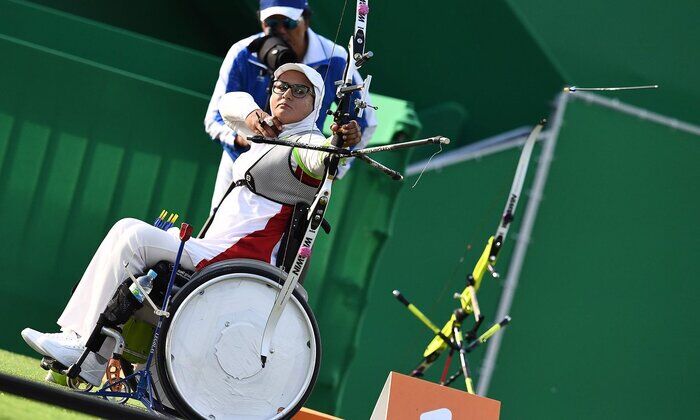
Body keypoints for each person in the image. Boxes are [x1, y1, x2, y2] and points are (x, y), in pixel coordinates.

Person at [22, 63, 358, 387]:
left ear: (315, 104)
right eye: (281, 86)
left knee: (132, 234)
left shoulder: (305, 143)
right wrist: (255, 117)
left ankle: (86, 350)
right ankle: (83, 345)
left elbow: (323, 157)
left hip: (237, 261)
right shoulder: (269, 132)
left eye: (300, 91)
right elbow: (230, 102)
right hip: (213, 248)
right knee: (130, 242)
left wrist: (341, 143)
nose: (287, 94)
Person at [204, 0, 377, 211]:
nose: (281, 31)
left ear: (306, 19)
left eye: (289, 23)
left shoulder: (336, 58)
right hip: (239, 164)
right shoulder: (243, 52)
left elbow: (365, 120)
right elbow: (215, 117)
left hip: (297, 173)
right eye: (271, 24)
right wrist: (241, 138)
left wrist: (336, 164)